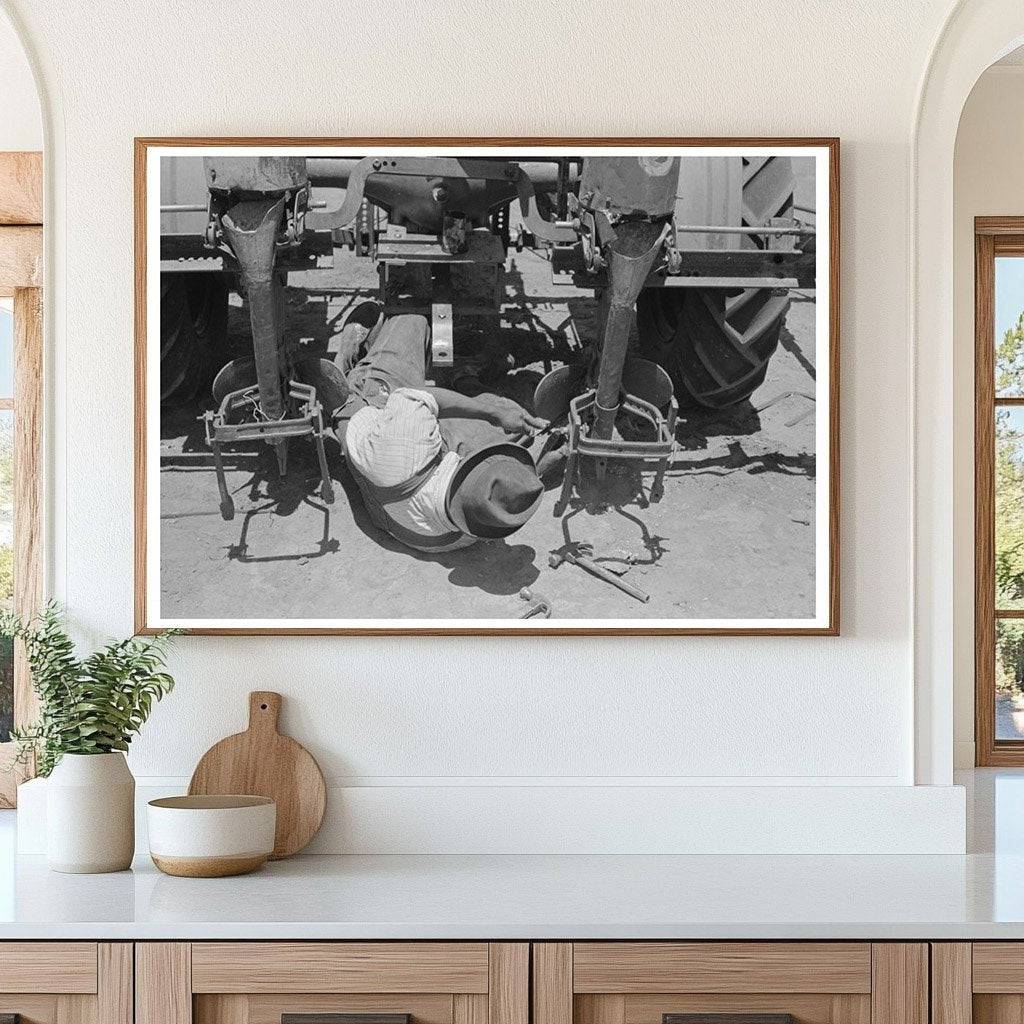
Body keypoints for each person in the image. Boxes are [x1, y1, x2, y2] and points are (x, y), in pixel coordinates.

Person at [332, 312, 547, 553]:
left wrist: (493, 414)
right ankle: (464, 380)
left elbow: (417, 396)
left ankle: (346, 368)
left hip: (376, 423)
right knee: (518, 426)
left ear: (466, 467)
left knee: (411, 322)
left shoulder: (407, 450)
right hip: (413, 527)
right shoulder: (473, 530)